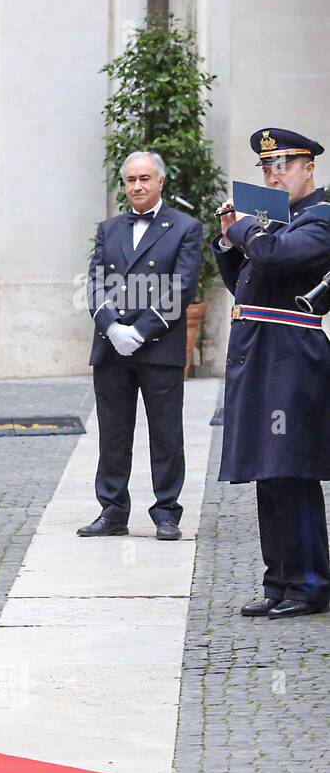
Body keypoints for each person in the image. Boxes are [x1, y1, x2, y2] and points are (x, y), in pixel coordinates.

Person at [214, 127, 330, 619]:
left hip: (290, 355)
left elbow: (277, 256)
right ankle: (280, 581)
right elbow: (244, 284)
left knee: (291, 468)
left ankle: (309, 584)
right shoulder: (273, 221)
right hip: (260, 353)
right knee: (268, 470)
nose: (274, 175)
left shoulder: (320, 219)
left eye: (283, 166)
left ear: (309, 168)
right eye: (266, 168)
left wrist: (244, 229)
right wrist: (227, 239)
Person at [81, 150, 202, 541]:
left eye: (145, 178)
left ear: (161, 182)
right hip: (111, 347)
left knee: (166, 433)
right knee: (113, 433)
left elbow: (181, 287)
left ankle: (166, 511)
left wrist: (140, 331)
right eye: (131, 180)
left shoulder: (184, 227)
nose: (137, 186)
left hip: (160, 346)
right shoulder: (109, 228)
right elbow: (95, 281)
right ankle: (112, 510)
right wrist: (112, 326)